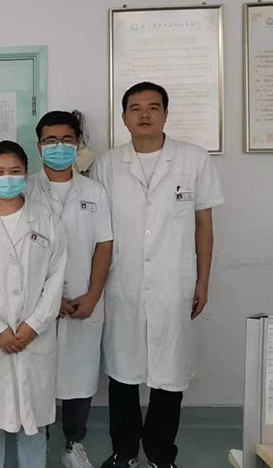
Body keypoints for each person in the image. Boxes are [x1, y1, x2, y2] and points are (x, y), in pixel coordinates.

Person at [91, 82, 224, 468]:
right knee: (122, 372)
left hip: (173, 284)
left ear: (166, 114)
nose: (144, 114)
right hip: (122, 284)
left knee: (170, 373)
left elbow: (204, 225)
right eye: (135, 108)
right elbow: (98, 231)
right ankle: (125, 451)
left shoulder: (194, 159)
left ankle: (162, 454)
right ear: (124, 117)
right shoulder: (106, 165)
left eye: (153, 107)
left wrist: (202, 280)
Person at [0, 140, 66, 468]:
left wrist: (34, 325)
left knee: (32, 419)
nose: (7, 178)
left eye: (15, 171)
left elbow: (56, 277)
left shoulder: (46, 219)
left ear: (25, 175)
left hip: (34, 335)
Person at [27, 111, 113, 468]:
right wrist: (46, 300)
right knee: (37, 375)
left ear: (77, 145)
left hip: (82, 299)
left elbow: (104, 246)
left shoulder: (94, 191)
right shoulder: (25, 188)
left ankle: (73, 445)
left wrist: (93, 295)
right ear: (39, 147)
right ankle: (37, 445)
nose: (58, 147)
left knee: (80, 375)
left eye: (66, 140)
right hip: (35, 302)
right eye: (50, 141)